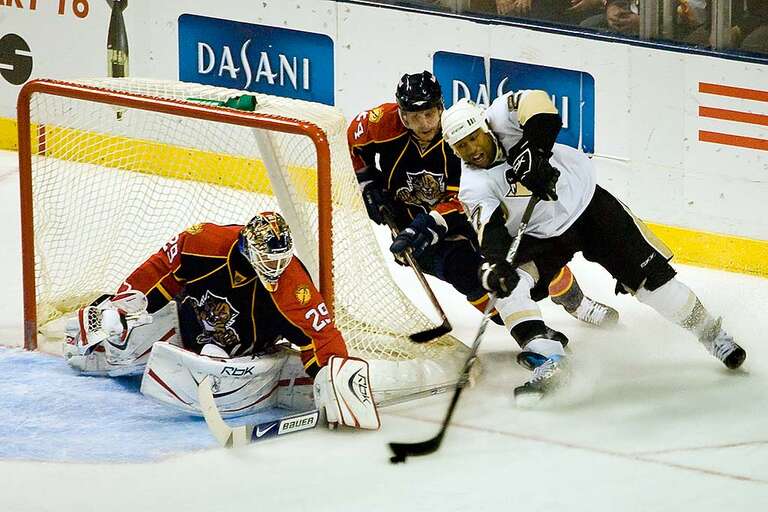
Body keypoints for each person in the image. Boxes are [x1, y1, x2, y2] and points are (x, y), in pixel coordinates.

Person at [440, 91, 747, 404]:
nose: (471, 149)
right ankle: (551, 360)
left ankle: (711, 334)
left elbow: (542, 109)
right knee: (508, 287)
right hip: (543, 236)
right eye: (461, 145)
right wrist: (495, 262)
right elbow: (490, 230)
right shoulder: (473, 185)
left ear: (485, 127)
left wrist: (536, 149)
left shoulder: (501, 115)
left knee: (655, 287)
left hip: (589, 207)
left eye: (473, 138)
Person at [347, 71, 618, 348]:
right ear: (402, 115)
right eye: (414, 117)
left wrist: (428, 225)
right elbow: (353, 143)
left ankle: (575, 302)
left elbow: (467, 198)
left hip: (468, 219)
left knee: (525, 262)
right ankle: (531, 331)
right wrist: (368, 184)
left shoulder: (457, 141)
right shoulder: (381, 123)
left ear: (441, 107)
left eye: (429, 114)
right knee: (469, 277)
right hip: (413, 227)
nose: (424, 124)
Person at [63, 211, 379, 430]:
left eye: (281, 260)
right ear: (247, 246)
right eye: (268, 259)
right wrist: (122, 305)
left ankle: (281, 380)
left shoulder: (292, 282)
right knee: (120, 329)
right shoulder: (203, 242)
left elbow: (320, 333)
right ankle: (104, 346)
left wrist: (337, 377)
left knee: (304, 371)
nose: (276, 267)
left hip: (244, 355)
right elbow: (159, 270)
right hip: (186, 330)